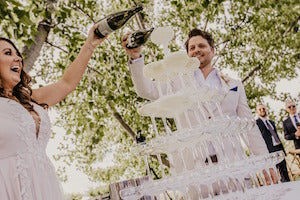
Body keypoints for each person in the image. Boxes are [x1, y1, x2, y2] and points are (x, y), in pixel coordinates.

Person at [122, 28, 268, 195]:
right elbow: (146, 90)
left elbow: (249, 127)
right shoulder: (176, 83)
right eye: (191, 48)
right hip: (196, 175)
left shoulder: (234, 85)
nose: (196, 50)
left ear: (212, 51)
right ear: (187, 55)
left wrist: (264, 162)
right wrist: (135, 58)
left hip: (234, 168)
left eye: (202, 46)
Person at [0, 25, 108, 199]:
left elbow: (66, 84)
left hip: (45, 187)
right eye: (7, 53)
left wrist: (90, 44)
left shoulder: (31, 99)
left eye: (17, 54)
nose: (18, 59)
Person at [256, 104, 290, 183]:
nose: (262, 110)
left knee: (283, 169)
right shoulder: (257, 123)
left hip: (278, 146)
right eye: (260, 109)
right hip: (269, 149)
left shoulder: (271, 122)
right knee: (274, 170)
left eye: (263, 108)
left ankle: (287, 183)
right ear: (257, 112)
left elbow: (276, 134)